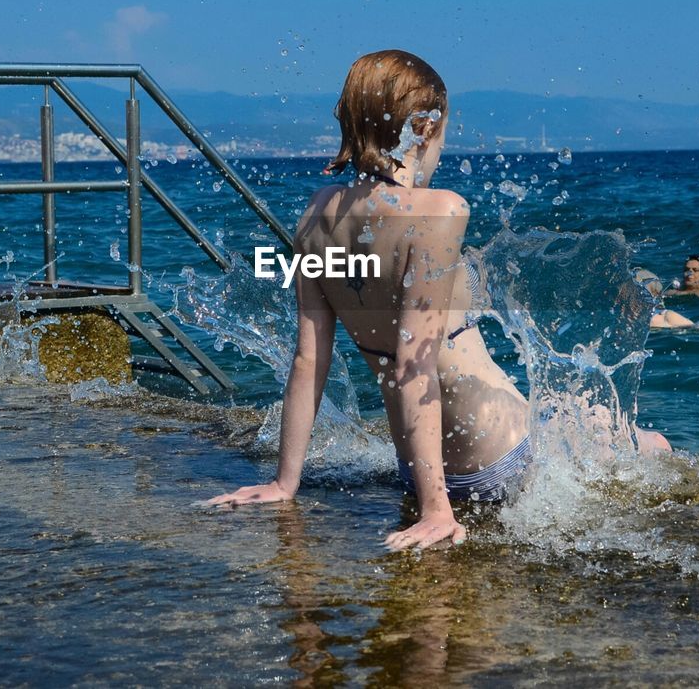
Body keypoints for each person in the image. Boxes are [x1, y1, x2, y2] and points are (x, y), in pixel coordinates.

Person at [207, 50, 668, 550]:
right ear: (424, 129)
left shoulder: (318, 216)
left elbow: (308, 358)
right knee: (648, 444)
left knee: (584, 420)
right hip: (502, 460)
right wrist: (435, 511)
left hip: (419, 469)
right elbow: (415, 363)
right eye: (444, 132)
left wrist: (284, 484)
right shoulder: (439, 211)